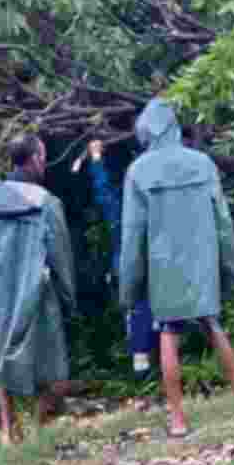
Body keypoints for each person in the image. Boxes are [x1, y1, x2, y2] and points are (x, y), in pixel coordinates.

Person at [118, 97, 234, 438]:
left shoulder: (138, 172)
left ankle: (178, 420)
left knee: (168, 333)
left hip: (164, 268)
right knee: (212, 324)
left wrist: (129, 291)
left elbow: (132, 237)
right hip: (201, 260)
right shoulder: (203, 163)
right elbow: (223, 222)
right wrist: (230, 269)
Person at [0, 134, 76, 445]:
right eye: (42, 156)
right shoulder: (46, 204)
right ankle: (38, 423)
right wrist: (69, 295)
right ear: (35, 159)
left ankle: (9, 429)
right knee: (52, 367)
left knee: (0, 355)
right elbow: (61, 255)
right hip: (36, 294)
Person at [73, 138, 156, 379]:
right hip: (143, 265)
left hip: (131, 267)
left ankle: (144, 364)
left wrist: (96, 158)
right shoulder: (133, 206)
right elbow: (104, 192)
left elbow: (104, 192)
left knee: (139, 312)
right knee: (145, 312)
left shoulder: (122, 210)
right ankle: (147, 365)